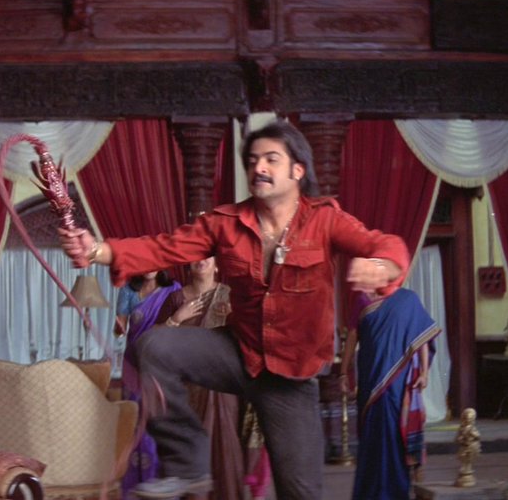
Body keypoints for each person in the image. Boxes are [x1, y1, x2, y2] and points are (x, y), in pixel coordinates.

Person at [58, 121, 411, 500]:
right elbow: (163, 248)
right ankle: (187, 465)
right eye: (253, 160)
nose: (259, 167)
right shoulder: (225, 223)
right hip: (238, 352)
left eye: (271, 159)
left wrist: (383, 266)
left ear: (297, 170)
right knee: (154, 347)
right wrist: (96, 250)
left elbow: (385, 245)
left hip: (290, 377)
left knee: (301, 492)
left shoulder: (325, 220)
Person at [154, 257, 248, 500]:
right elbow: (155, 341)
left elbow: (247, 340)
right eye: (196, 255)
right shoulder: (176, 299)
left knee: (225, 447)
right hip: (187, 389)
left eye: (207, 255)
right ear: (188, 264)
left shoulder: (230, 296)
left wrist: (234, 319)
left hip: (223, 389)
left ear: (218, 264)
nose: (201, 260)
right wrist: (177, 318)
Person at [339, 288, 439, 500]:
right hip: (370, 379)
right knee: (371, 434)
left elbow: (420, 335)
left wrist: (424, 373)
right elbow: (353, 336)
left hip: (397, 383)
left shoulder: (408, 300)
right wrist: (343, 372)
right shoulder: (362, 299)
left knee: (394, 431)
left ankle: (396, 492)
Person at [120, 270, 182, 490]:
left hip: (161, 365)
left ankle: (158, 483)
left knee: (158, 421)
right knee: (133, 421)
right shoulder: (128, 290)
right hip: (133, 365)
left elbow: (181, 328)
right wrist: (116, 327)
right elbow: (120, 328)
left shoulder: (173, 290)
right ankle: (133, 486)